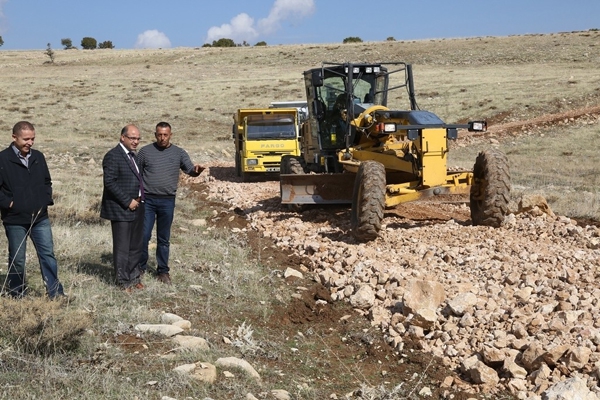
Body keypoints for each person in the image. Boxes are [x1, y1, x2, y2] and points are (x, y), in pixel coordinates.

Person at [0, 121, 65, 299]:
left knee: (47, 255)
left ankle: (55, 293)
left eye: (33, 139)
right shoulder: (3, 159)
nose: (30, 142)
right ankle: (15, 294)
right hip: (15, 220)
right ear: (14, 137)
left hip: (40, 217)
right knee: (18, 259)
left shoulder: (38, 156)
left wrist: (45, 200)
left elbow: (46, 181)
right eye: (26, 139)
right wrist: (10, 204)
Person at [138, 122, 203, 284]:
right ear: (155, 135)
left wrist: (196, 171)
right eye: (159, 134)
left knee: (163, 237)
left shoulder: (179, 153)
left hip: (167, 201)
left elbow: (189, 169)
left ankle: (163, 271)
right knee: (143, 235)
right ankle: (139, 268)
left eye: (165, 135)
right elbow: (135, 172)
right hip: (147, 201)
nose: (162, 138)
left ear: (170, 135)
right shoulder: (145, 152)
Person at [100, 124, 145, 292]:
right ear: (122, 137)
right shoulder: (113, 156)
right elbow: (110, 182)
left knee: (135, 245)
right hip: (122, 208)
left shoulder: (134, 156)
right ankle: (123, 281)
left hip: (138, 206)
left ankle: (134, 276)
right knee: (122, 246)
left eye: (138, 138)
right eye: (132, 138)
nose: (135, 141)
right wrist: (128, 201)